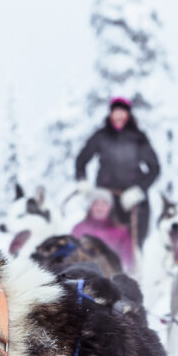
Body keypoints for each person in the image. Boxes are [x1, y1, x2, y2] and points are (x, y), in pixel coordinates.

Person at [74, 97, 160, 252]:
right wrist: (82, 181)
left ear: (128, 115)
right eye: (116, 112)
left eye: (123, 112)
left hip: (133, 201)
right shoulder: (101, 136)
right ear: (111, 114)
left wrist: (139, 190)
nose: (119, 116)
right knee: (102, 242)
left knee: (134, 244)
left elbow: (154, 168)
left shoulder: (139, 138)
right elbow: (81, 160)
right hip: (106, 199)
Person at [72, 187, 134, 271]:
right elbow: (72, 256)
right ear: (90, 207)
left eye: (104, 204)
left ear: (110, 207)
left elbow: (127, 262)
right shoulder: (79, 229)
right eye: (96, 204)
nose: (100, 208)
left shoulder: (121, 232)